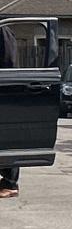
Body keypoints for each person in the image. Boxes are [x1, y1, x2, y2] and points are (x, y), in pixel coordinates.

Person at [0, 24, 20, 199]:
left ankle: (10, 183)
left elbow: (8, 62)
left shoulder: (2, 30)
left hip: (4, 90)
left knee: (5, 138)